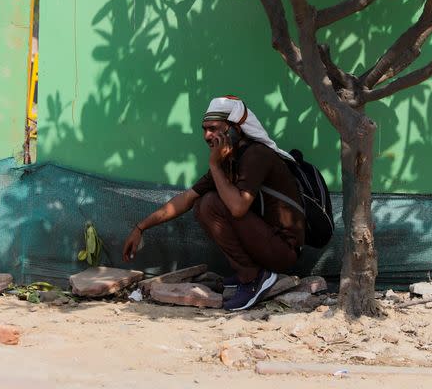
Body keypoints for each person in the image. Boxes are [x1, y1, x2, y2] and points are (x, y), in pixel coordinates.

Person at [122, 96, 305, 311]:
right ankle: (249, 272)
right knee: (201, 203)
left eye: (214, 128)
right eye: (204, 129)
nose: (207, 136)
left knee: (211, 203)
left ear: (235, 129)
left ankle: (254, 278)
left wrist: (214, 164)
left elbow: (238, 208)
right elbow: (186, 199)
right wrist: (140, 228)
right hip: (265, 242)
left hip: (282, 250)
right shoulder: (228, 161)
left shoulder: (257, 155)